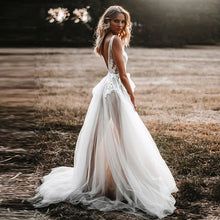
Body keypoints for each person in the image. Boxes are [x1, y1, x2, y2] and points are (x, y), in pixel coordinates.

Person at [29, 5, 178, 219]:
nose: (120, 25)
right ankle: (123, 179)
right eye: (116, 21)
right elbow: (123, 74)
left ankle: (97, 176)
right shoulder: (115, 40)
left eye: (123, 21)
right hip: (115, 91)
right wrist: (132, 96)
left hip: (106, 89)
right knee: (123, 135)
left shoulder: (104, 39)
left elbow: (111, 69)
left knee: (103, 134)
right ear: (107, 21)